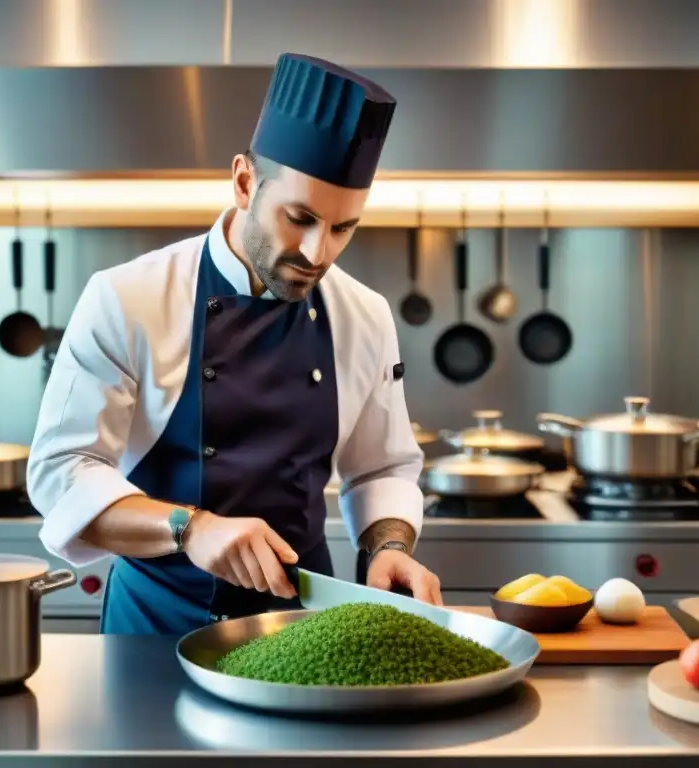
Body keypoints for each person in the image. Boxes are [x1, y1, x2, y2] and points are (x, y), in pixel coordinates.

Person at [26, 53, 442, 635]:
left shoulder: (364, 315)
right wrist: (190, 529)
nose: (318, 253)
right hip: (155, 626)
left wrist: (388, 547)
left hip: (301, 629)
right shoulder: (128, 298)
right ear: (246, 182)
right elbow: (60, 472)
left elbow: (380, 468)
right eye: (299, 217)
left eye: (343, 228)